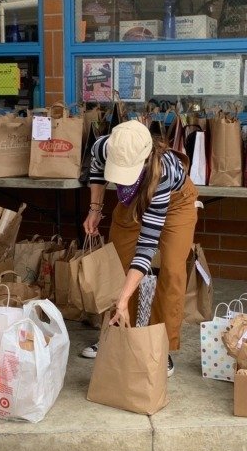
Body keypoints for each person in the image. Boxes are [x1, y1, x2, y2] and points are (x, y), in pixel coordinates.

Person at [80, 120, 198, 375]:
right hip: (131, 198)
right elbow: (98, 172)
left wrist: (123, 298)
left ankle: (159, 344)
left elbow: (146, 247)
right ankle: (115, 335)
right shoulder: (103, 147)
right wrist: (95, 209)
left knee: (172, 269)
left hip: (176, 204)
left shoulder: (163, 172)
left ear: (144, 159)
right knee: (117, 262)